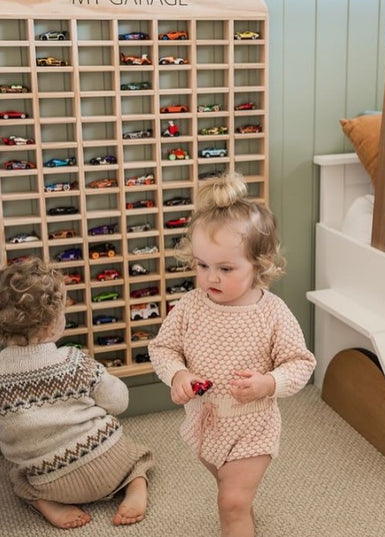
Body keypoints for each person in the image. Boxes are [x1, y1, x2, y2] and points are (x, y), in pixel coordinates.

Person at [149, 172, 316, 537]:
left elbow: (300, 363)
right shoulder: (191, 306)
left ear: (259, 264)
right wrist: (177, 374)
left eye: (225, 268)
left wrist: (270, 382)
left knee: (231, 502)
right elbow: (163, 348)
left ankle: (239, 514)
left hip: (253, 425)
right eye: (202, 265)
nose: (211, 277)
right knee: (228, 489)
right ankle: (241, 510)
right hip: (207, 423)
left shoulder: (272, 313)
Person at [0, 258, 153, 529]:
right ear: (52, 326)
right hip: (109, 463)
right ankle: (135, 484)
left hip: (49, 479)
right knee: (137, 456)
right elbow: (118, 401)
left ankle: (45, 502)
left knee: (17, 477)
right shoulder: (73, 360)